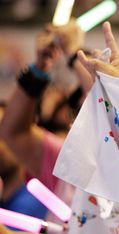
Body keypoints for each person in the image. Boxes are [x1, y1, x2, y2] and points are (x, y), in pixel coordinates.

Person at [0, 20, 93, 222]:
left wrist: (73, 53)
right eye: (78, 109)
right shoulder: (70, 162)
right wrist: (39, 68)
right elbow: (14, 133)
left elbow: (109, 104)